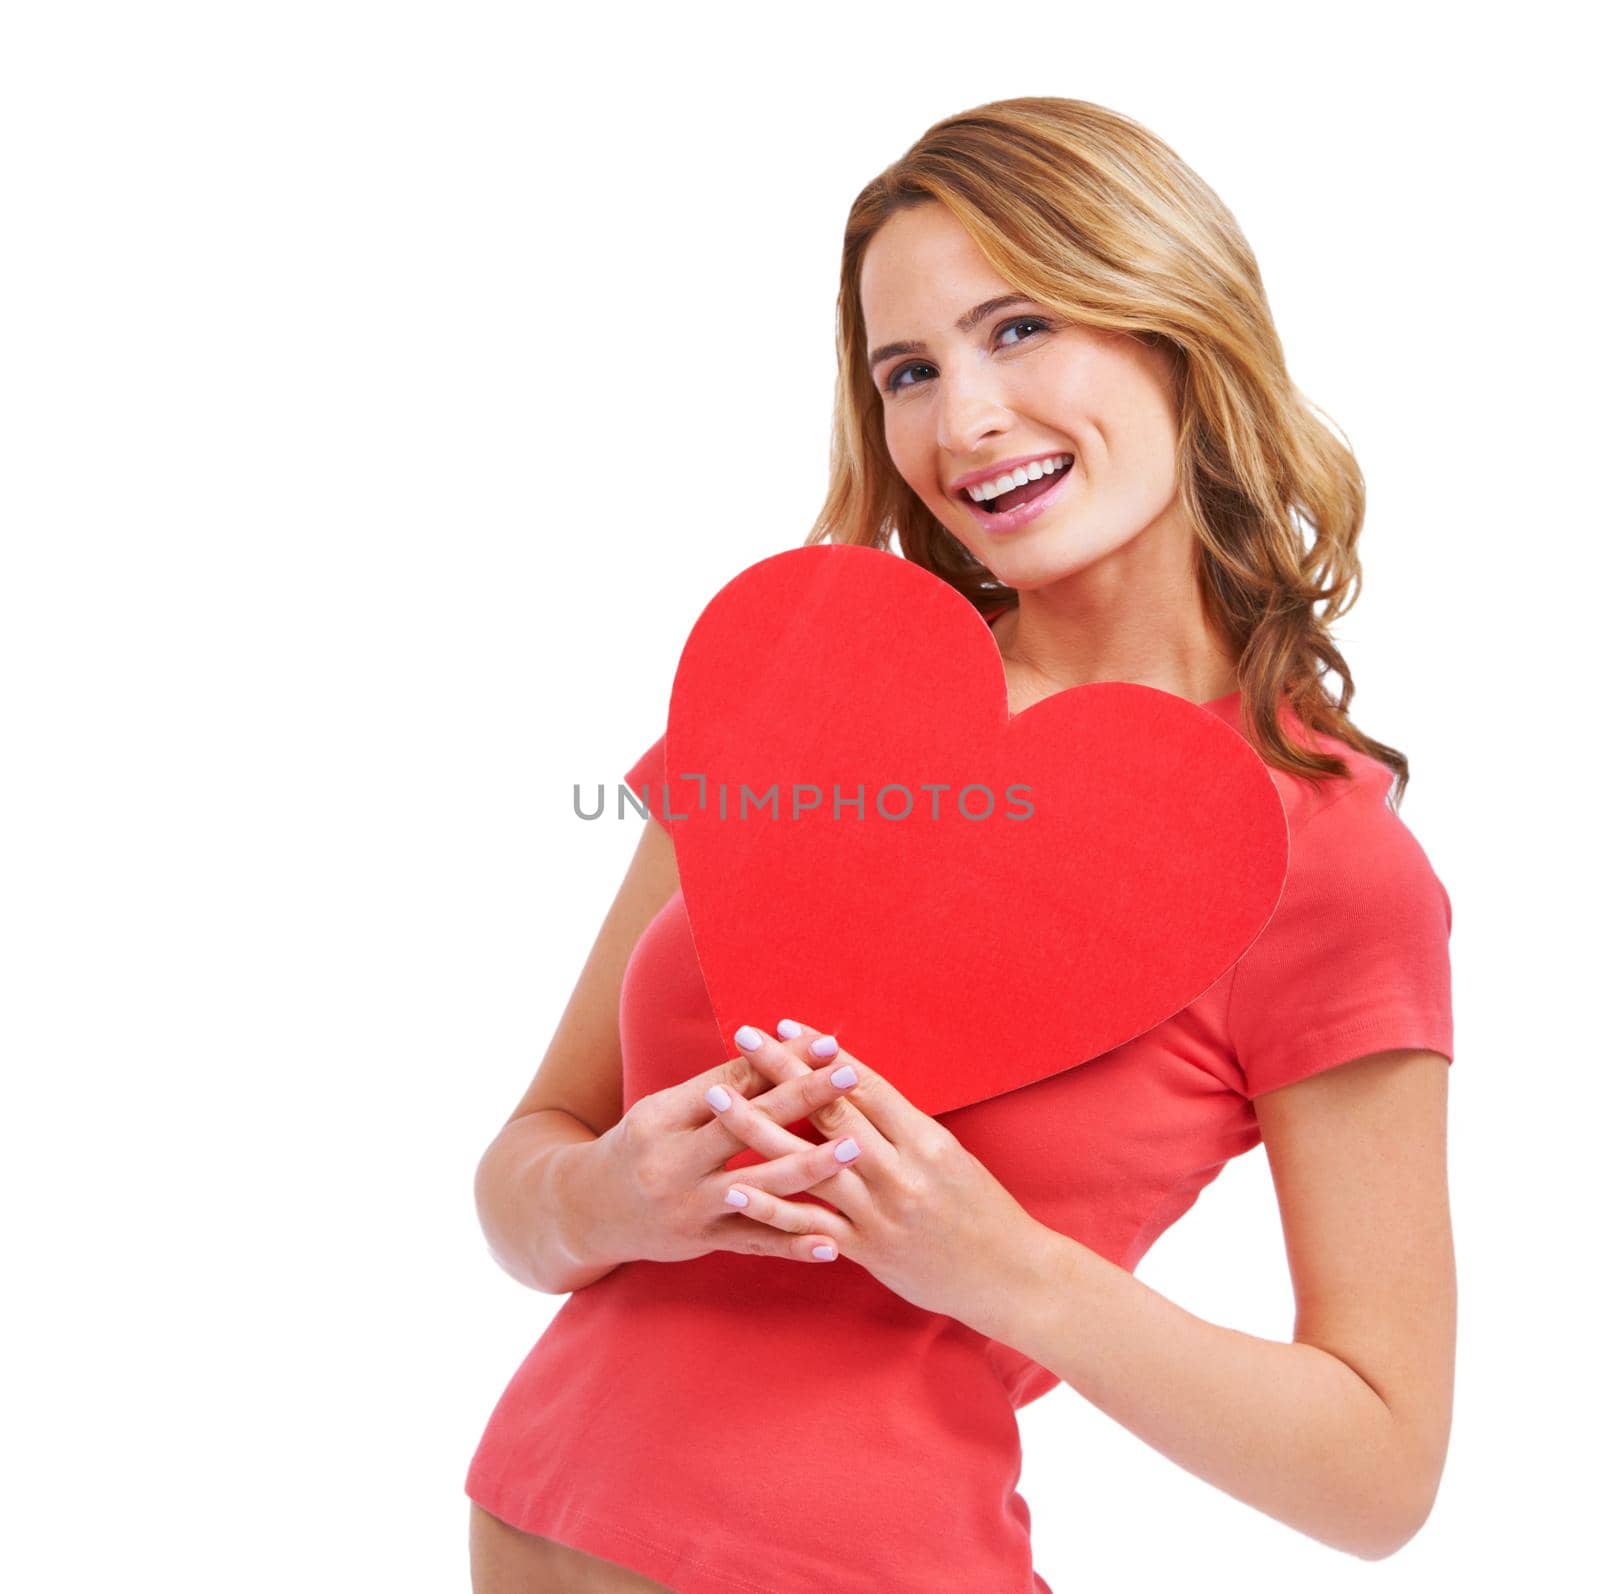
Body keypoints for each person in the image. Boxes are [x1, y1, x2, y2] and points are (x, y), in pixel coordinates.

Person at [464, 96, 1455, 1592]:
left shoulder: (1325, 862)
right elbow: (522, 1170)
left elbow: (1381, 1475)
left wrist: (1000, 1269)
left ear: (1176, 328)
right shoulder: (806, 688)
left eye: (1018, 329)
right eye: (906, 371)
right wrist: (612, 1198)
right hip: (524, 1514)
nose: (961, 419)